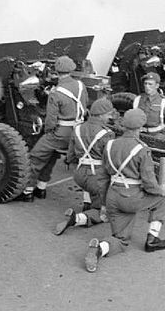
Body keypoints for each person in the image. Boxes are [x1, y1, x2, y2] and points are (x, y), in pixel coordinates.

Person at [84, 108, 165, 273]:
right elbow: (149, 183)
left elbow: (103, 178)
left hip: (112, 196)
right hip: (131, 197)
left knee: (121, 240)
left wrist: (103, 203)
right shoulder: (142, 149)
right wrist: (161, 190)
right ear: (140, 127)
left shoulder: (110, 144)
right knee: (164, 198)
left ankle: (99, 249)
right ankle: (152, 239)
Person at [17, 55, 87, 202]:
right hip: (77, 132)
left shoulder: (56, 93)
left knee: (36, 157)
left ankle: (27, 191)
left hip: (61, 133)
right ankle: (41, 189)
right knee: (52, 156)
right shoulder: (81, 86)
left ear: (56, 71)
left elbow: (51, 120)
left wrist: (48, 132)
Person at [55, 98, 116, 235]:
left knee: (89, 183)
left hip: (79, 174)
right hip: (97, 177)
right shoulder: (107, 134)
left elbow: (70, 156)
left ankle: (87, 204)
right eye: (108, 115)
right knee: (105, 213)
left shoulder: (78, 129)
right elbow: (110, 161)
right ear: (101, 115)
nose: (109, 118)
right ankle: (76, 219)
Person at [133, 71, 165, 142]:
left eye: (150, 84)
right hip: (140, 134)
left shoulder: (163, 102)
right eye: (145, 84)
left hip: (157, 136)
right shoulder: (137, 99)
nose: (147, 86)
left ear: (157, 86)